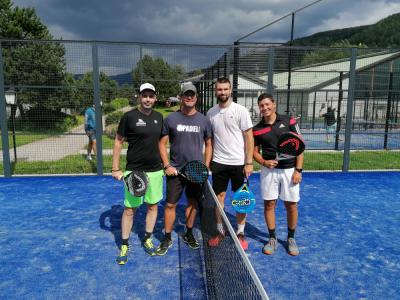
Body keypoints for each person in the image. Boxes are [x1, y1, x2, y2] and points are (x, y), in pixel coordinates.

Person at [156, 82, 212, 256]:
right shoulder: (171, 119)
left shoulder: (204, 120)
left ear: (196, 97)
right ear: (180, 97)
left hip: (196, 171)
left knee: (193, 203)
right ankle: (167, 237)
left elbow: (209, 144)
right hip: (176, 171)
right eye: (186, 94)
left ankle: (188, 233)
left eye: (192, 94)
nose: (189, 97)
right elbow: (161, 143)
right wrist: (167, 165)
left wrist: (206, 167)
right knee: (170, 204)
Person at [111, 83, 164, 265]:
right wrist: (115, 168)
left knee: (152, 206)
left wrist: (165, 165)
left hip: (156, 171)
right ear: (139, 97)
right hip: (134, 170)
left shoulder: (159, 117)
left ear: (155, 98)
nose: (147, 99)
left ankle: (147, 238)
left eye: (151, 96)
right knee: (129, 209)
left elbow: (161, 143)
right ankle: (124, 244)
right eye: (144, 96)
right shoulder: (129, 117)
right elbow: (118, 142)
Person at [252, 93, 304, 256]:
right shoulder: (257, 129)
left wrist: (298, 170)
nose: (265, 108)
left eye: (268, 104)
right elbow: (254, 152)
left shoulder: (289, 121)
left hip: (289, 171)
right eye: (262, 105)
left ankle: (291, 238)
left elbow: (299, 146)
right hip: (269, 172)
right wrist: (263, 162)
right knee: (269, 205)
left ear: (274, 104)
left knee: (291, 205)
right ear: (259, 108)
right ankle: (272, 238)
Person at [206, 77, 254, 250]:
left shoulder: (241, 111)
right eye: (220, 89)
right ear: (216, 91)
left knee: (240, 199)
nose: (223, 92)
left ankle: (240, 232)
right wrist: (208, 161)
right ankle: (220, 230)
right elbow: (209, 141)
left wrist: (248, 162)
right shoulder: (211, 113)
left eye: (225, 89)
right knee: (219, 199)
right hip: (219, 163)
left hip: (239, 164)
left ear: (231, 90)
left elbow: (249, 137)